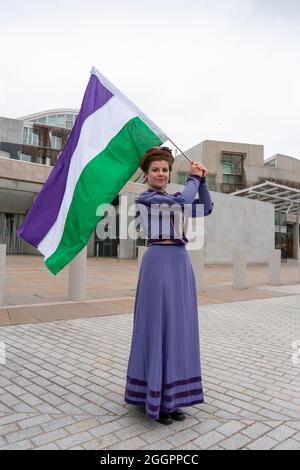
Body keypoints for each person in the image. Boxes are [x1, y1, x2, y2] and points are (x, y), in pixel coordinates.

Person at [124, 146, 214, 425]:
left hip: (179, 263)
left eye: (164, 170)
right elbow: (181, 203)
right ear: (147, 174)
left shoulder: (175, 196)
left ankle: (172, 398)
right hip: (158, 262)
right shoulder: (147, 197)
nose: (161, 174)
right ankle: (156, 400)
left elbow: (205, 207)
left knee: (177, 327)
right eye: (156, 170)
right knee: (158, 326)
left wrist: (204, 181)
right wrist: (193, 179)